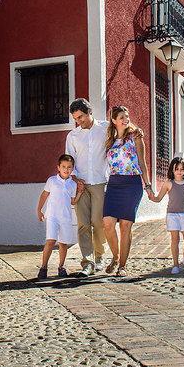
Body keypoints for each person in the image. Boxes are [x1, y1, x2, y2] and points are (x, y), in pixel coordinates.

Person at [101, 105, 147, 278]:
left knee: (125, 226)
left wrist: (148, 186)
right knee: (107, 223)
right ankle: (115, 255)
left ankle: (122, 266)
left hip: (132, 183)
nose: (125, 119)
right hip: (114, 184)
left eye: (127, 116)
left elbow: (142, 162)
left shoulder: (135, 136)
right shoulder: (110, 141)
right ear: (114, 120)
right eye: (121, 117)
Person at [66, 98, 109, 276]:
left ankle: (100, 257)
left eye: (81, 117)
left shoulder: (106, 128)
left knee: (98, 222)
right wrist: (75, 180)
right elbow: (69, 161)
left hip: (100, 182)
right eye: (76, 118)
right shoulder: (73, 136)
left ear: (90, 112)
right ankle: (87, 262)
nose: (79, 121)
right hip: (80, 184)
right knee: (83, 224)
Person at [144, 155, 184, 274]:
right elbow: (158, 198)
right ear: (172, 170)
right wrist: (150, 196)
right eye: (177, 169)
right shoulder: (168, 183)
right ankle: (175, 265)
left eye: (182, 169)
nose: (179, 172)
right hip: (172, 215)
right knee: (175, 240)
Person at [36, 153, 82, 280]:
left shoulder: (73, 184)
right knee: (50, 241)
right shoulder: (52, 181)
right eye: (64, 166)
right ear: (58, 167)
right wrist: (39, 210)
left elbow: (73, 201)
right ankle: (43, 267)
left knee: (63, 243)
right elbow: (44, 195)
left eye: (69, 167)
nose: (66, 169)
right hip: (52, 216)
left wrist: (79, 193)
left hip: (65, 218)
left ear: (72, 169)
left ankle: (61, 267)